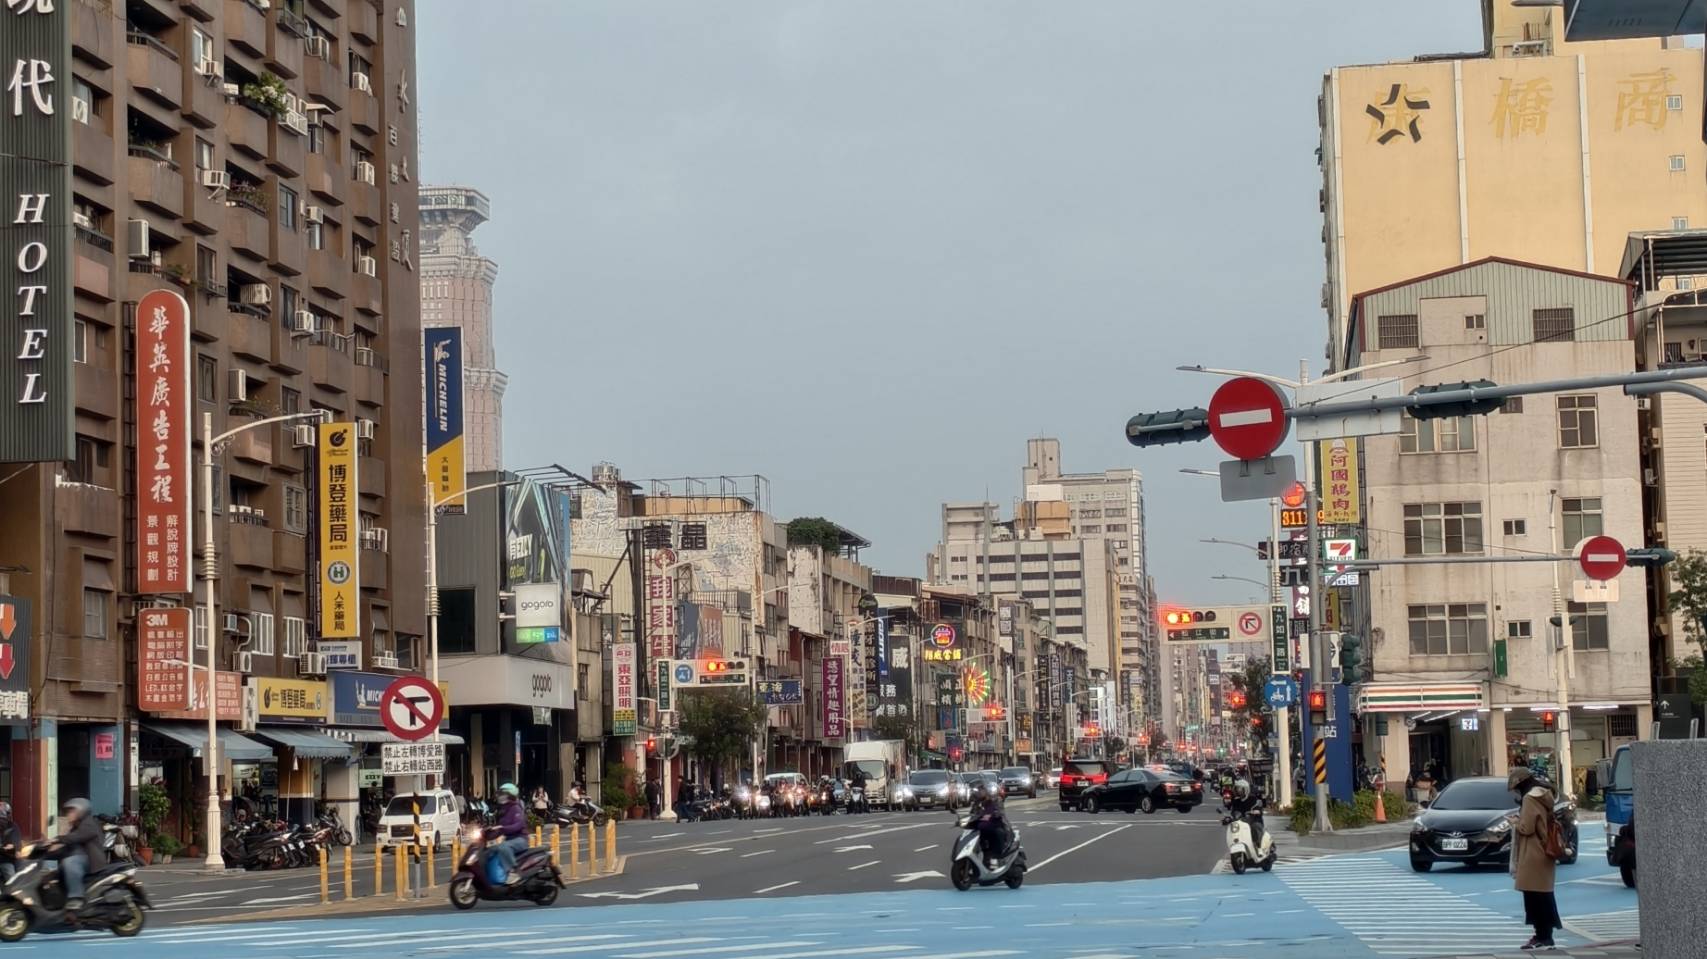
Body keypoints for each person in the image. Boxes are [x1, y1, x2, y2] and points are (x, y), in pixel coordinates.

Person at [1509, 767, 1561, 950]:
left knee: (1534, 896)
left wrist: (1515, 822)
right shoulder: (1542, 794)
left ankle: (1542, 936)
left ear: (1521, 783)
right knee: (1543, 894)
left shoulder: (1530, 798)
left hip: (1533, 851)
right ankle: (1545, 936)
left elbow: (1527, 828)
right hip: (1544, 850)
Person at [53, 798, 106, 912]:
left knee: (70, 862)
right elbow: (66, 847)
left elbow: (75, 838)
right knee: (52, 875)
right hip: (81, 859)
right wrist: (43, 850)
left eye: (71, 811)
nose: (68, 814)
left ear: (81, 810)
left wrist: (57, 839)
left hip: (91, 861)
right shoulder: (75, 827)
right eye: (67, 812)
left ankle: (76, 897)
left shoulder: (89, 824)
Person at [492, 783, 529, 885]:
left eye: (503, 794)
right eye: (500, 794)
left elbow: (518, 825)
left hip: (520, 839)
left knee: (502, 847)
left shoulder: (516, 808)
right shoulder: (504, 810)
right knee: (492, 850)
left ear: (510, 795)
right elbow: (499, 828)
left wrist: (503, 828)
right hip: (510, 840)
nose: (500, 796)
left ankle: (514, 871)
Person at [1225, 778, 1267, 851]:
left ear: (1245, 789)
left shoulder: (1253, 799)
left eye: (1240, 789)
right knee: (1233, 829)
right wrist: (1228, 818)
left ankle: (1259, 847)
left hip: (1253, 821)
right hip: (1241, 822)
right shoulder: (1236, 801)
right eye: (1236, 788)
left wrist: (1256, 811)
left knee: (1256, 827)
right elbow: (1233, 811)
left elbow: (1259, 807)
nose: (1238, 791)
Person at [971, 795, 1009, 868]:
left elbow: (1000, 812)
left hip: (996, 824)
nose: (981, 792)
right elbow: (972, 812)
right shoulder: (978, 801)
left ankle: (998, 857)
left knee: (998, 833)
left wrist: (992, 815)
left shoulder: (996, 799)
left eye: (983, 789)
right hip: (982, 825)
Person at [0, 802, 20, 881]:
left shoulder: (13, 827)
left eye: (2, 819)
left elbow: (16, 844)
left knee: (11, 879)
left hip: (5, 860)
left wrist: (11, 847)